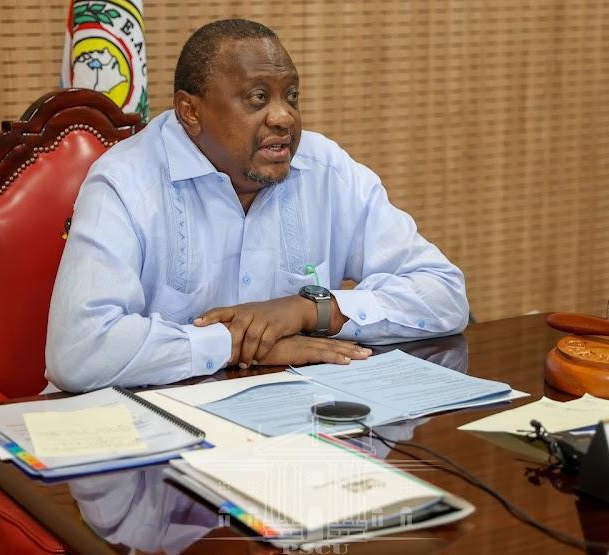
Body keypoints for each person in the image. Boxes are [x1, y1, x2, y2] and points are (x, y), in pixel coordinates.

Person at [46, 19, 469, 392]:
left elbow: (445, 294)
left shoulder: (326, 170)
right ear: (190, 111)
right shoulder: (125, 182)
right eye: (258, 98)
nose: (284, 118)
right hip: (153, 429)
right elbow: (79, 350)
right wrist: (236, 344)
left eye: (292, 96)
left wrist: (313, 310)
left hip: (290, 417)